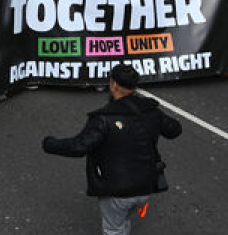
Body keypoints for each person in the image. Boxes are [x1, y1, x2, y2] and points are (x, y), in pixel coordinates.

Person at [42, 64, 182, 235]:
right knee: (122, 222)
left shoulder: (103, 119)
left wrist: (50, 144)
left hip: (118, 191)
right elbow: (175, 129)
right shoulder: (151, 111)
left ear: (114, 84)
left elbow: (78, 147)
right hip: (146, 186)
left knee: (113, 229)